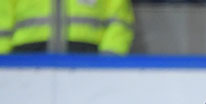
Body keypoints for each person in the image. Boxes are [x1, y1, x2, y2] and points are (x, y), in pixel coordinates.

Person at [0, 0, 135, 54]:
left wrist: (108, 61)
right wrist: (5, 65)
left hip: (88, 57)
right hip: (25, 57)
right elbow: (3, 20)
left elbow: (119, 21)